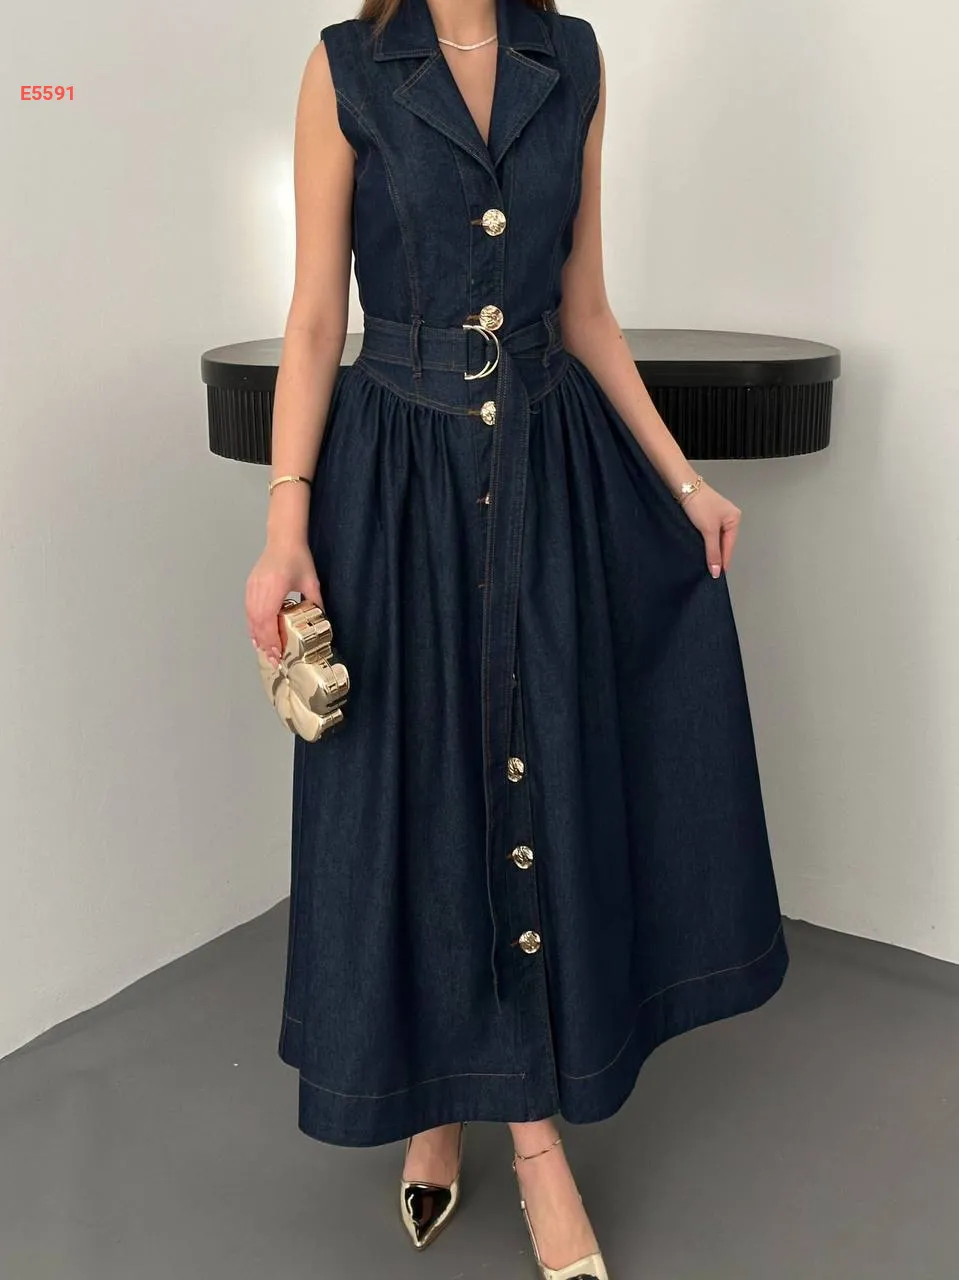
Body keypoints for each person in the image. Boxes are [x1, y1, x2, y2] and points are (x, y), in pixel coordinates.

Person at [245, 0, 789, 1274]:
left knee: (530, 779)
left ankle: (526, 1133)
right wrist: (284, 524)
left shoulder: (571, 56)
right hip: (395, 485)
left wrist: (682, 480)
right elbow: (316, 318)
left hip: (549, 472)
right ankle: (440, 1106)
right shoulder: (344, 67)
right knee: (420, 791)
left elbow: (585, 308)